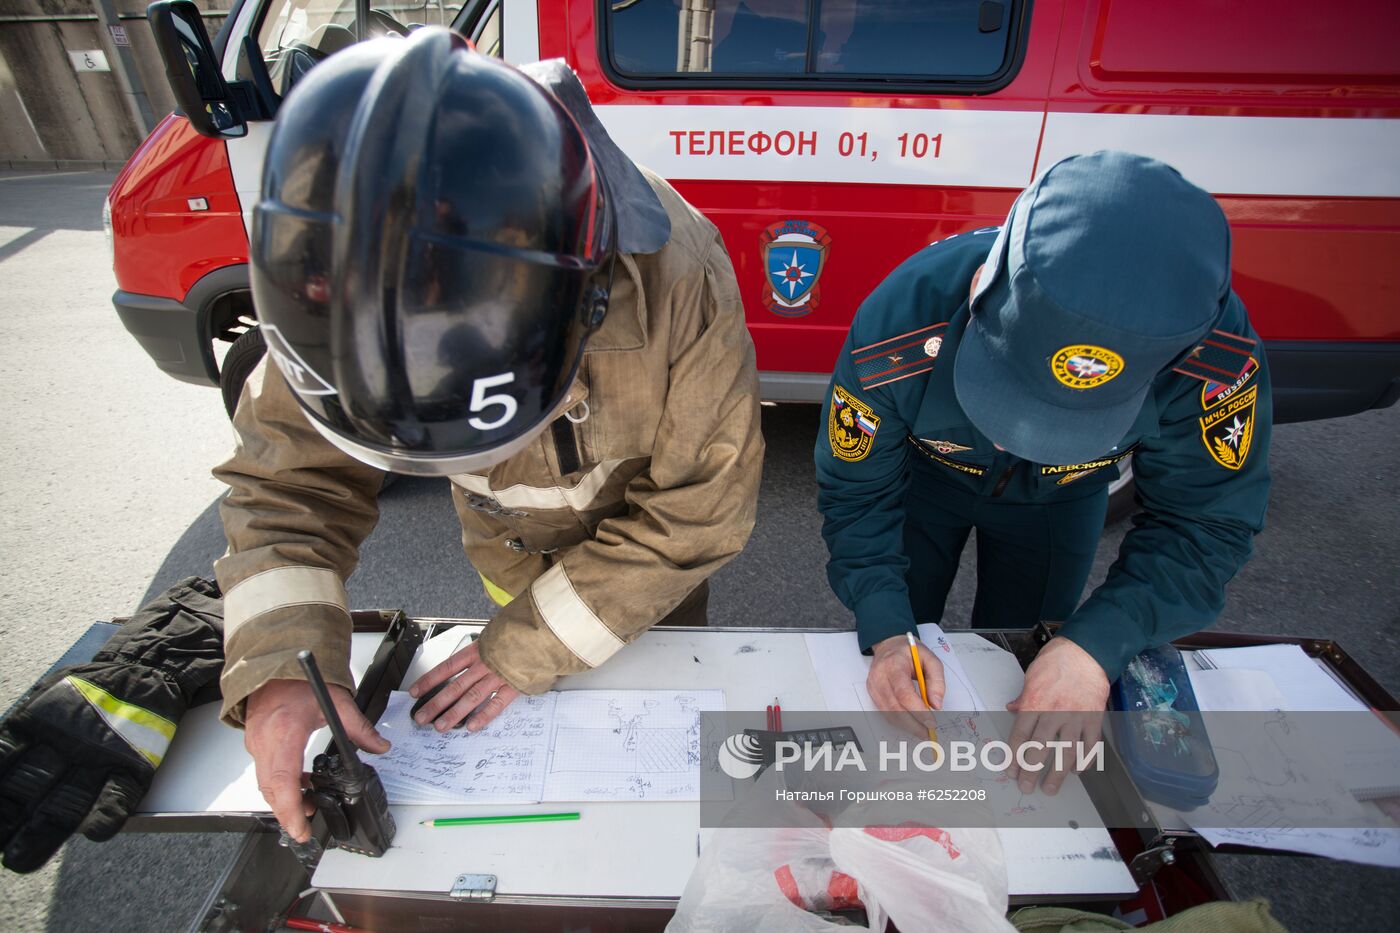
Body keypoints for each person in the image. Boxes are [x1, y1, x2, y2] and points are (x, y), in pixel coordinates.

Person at [215, 29, 763, 842]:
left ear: (585, 299)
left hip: (655, 593)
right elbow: (288, 486)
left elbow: (702, 507)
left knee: (652, 813)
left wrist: (526, 649)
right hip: (508, 566)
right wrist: (281, 667)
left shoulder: (672, 270)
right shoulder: (328, 277)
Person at [815, 151, 1271, 793]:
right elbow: (858, 491)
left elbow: (1206, 525)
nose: (1015, 437)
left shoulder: (1217, 359)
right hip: (927, 483)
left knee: (1030, 664)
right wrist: (887, 631)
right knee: (903, 659)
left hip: (1063, 500)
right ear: (985, 287)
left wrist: (1094, 648)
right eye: (1012, 392)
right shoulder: (903, 319)